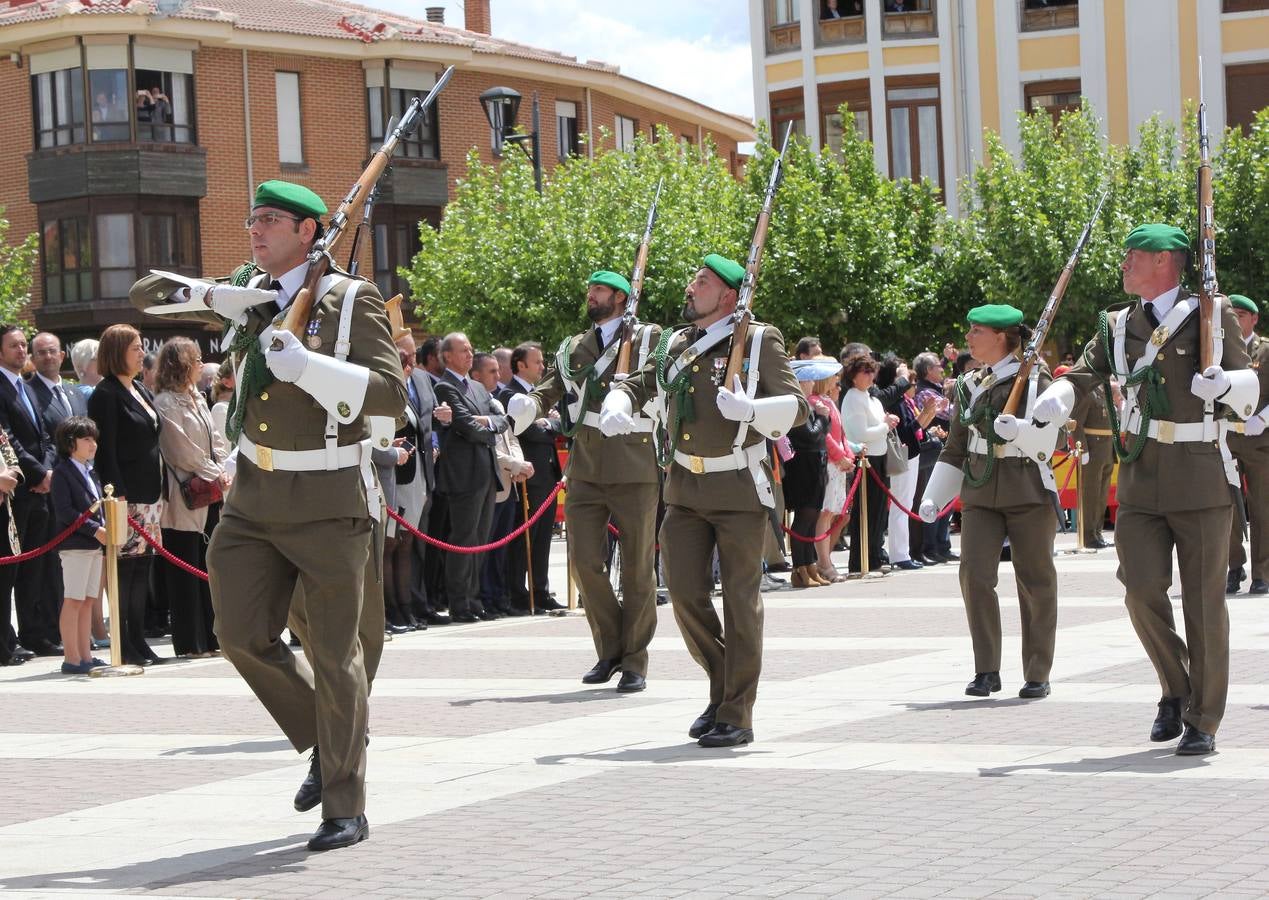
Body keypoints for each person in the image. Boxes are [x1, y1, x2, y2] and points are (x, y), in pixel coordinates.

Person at [130, 179, 407, 849]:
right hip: (253, 498)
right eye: (252, 218)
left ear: (308, 231)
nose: (255, 230)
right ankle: (329, 733)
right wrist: (211, 295)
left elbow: (389, 400)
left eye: (271, 221)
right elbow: (145, 295)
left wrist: (310, 366)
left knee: (338, 655)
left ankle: (344, 803)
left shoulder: (349, 300)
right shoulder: (249, 295)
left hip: (328, 500)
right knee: (240, 633)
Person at [1023, 223, 1258, 755]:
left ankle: (1204, 718)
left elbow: (1250, 386)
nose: (1124, 264)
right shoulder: (1115, 324)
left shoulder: (1210, 314)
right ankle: (1175, 688)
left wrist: (1225, 384)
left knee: (1203, 603)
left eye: (1133, 256)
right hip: (1139, 475)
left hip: (1199, 473)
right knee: (1140, 589)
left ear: (1164, 262)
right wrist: (1058, 396)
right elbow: (1084, 373)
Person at [600, 254, 807, 746]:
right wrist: (619, 398)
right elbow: (646, 379)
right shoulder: (679, 342)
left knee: (740, 602)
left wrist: (753, 409)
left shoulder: (758, 340)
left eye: (703, 282)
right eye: (693, 278)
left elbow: (797, 407)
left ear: (730, 297)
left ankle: (738, 712)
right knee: (687, 597)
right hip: (684, 488)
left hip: (737, 485)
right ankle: (721, 683)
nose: (691, 288)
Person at [511, 270, 662, 689]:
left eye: (598, 289)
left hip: (632, 459)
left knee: (636, 568)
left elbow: (654, 377)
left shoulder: (647, 337)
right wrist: (531, 402)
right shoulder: (575, 346)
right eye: (589, 288)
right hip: (586, 463)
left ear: (619, 296)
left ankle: (634, 660)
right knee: (583, 563)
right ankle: (610, 646)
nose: (590, 295)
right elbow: (553, 386)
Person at [919, 304, 1060, 700]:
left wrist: (1020, 431)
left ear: (1001, 337)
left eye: (976, 331)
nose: (968, 337)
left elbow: (1055, 438)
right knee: (974, 576)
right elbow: (955, 447)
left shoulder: (1035, 380)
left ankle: (1037, 670)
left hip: (1027, 487)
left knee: (1034, 579)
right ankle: (987, 669)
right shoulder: (969, 384)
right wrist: (935, 495)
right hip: (981, 489)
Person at [88, 324, 164, 666]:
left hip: (150, 495)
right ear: (117, 351)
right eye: (135, 347)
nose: (141, 353)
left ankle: (138, 639)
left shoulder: (138, 389)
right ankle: (125, 642)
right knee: (126, 572)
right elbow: (106, 452)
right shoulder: (105, 395)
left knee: (142, 568)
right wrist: (116, 495)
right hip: (126, 497)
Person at [153, 337, 229, 658]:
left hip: (211, 491)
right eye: (196, 360)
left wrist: (222, 467)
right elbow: (179, 449)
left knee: (208, 567)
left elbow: (215, 439)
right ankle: (188, 642)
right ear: (182, 364)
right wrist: (214, 472)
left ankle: (211, 638)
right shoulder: (166, 403)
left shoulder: (197, 398)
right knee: (186, 568)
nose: (201, 365)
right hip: (184, 494)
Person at [433, 332, 508, 622]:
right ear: (448, 356)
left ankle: (474, 599)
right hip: (463, 475)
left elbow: (501, 420)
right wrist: (485, 428)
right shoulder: (445, 386)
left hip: (485, 471)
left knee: (481, 538)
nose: (468, 353)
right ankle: (459, 602)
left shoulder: (477, 387)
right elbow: (464, 425)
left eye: (470, 348)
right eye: (462, 350)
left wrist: (487, 423)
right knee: (463, 538)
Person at [0, 325, 61, 657]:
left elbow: (45, 438)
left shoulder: (26, 386)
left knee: (36, 568)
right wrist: (36, 474)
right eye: (14, 346)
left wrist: (48, 470)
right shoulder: (1, 388)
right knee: (12, 568)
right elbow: (7, 439)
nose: (22, 351)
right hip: (18, 493)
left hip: (42, 490)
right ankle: (6, 642)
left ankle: (33, 634)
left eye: (24, 345)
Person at [501, 341, 562, 614]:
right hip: (527, 476)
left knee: (543, 539)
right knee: (524, 538)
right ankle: (518, 593)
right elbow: (523, 430)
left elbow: (560, 425)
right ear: (520, 365)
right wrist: (547, 424)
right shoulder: (509, 394)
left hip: (547, 476)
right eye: (537, 362)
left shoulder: (541, 395)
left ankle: (540, 589)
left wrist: (547, 423)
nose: (542, 367)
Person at [51, 416, 108, 674]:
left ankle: (86, 655)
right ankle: (71, 657)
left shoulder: (90, 471)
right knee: (73, 599)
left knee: (87, 600)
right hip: (76, 545)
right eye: (86, 439)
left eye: (93, 438)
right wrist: (95, 530)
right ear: (70, 442)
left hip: (93, 546)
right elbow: (65, 511)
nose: (92, 444)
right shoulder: (63, 471)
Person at [374, 347, 425, 632]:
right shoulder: (383, 395)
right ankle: (388, 612)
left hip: (405, 476)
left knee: (402, 546)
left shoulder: (402, 396)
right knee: (386, 548)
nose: (409, 370)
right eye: (406, 364)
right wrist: (391, 452)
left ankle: (404, 610)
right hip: (386, 477)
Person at [1227, 294, 1269, 595]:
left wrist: (1263, 419)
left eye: (1240, 315)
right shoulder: (1218, 349)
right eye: (1231, 315)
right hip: (1226, 438)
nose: (1235, 320)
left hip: (1259, 440)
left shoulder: (1265, 351)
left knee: (1262, 508)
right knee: (1226, 507)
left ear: (1253, 319)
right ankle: (1233, 566)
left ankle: (1262, 573)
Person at [840, 352, 895, 574]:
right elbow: (860, 432)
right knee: (866, 512)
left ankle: (874, 556)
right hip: (865, 459)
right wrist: (886, 426)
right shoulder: (853, 397)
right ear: (853, 375)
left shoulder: (871, 398)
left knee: (879, 512)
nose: (870, 375)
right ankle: (861, 560)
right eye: (865, 371)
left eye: (872, 371)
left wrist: (885, 425)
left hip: (879, 457)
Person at [810, 357, 854, 583]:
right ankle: (824, 563)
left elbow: (841, 433)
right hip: (827, 462)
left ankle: (825, 561)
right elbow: (825, 435)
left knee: (830, 514)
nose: (837, 380)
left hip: (837, 463)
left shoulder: (828, 400)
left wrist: (848, 455)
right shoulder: (815, 400)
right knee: (825, 512)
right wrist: (840, 456)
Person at [1068, 378, 1115, 550]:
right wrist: (1083, 450)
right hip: (1093, 446)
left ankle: (1097, 531)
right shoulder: (1087, 393)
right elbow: (1076, 423)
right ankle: (1088, 536)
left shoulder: (1104, 391)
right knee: (1091, 493)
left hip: (1106, 446)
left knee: (1102, 493)